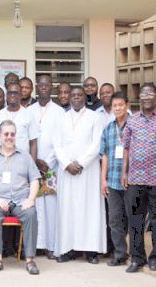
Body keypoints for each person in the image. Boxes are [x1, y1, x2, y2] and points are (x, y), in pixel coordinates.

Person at [54, 86, 106, 263]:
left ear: (85, 97)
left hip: (88, 171)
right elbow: (57, 144)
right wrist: (67, 164)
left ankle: (91, 251)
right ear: (69, 98)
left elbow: (97, 144)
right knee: (67, 210)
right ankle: (68, 249)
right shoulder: (61, 118)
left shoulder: (95, 117)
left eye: (79, 95)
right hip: (67, 171)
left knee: (89, 209)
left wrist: (81, 163)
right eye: (73, 95)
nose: (75, 98)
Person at [0, 120, 41, 274]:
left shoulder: (25, 157)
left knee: (31, 214)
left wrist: (31, 199)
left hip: (22, 201)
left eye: (12, 134)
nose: (9, 137)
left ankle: (30, 260)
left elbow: (35, 180)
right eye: (6, 134)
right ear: (0, 136)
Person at [28, 75, 64, 259]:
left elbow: (61, 140)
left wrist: (47, 162)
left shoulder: (59, 112)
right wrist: (35, 161)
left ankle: (50, 245)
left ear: (52, 87)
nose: (43, 87)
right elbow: (26, 138)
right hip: (33, 165)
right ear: (37, 87)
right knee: (35, 204)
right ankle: (36, 245)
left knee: (50, 206)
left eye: (47, 84)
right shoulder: (29, 110)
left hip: (51, 167)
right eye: (40, 85)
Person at [121, 83, 156, 273]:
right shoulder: (132, 120)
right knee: (135, 221)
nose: (147, 96)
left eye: (150, 93)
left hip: (155, 179)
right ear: (140, 98)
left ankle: (154, 258)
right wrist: (124, 173)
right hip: (135, 179)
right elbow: (126, 148)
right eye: (143, 94)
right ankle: (137, 258)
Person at [100, 91, 130, 267]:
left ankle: (136, 253)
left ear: (127, 105)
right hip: (112, 180)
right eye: (115, 106)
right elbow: (105, 155)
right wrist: (103, 179)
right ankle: (120, 254)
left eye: (120, 105)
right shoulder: (109, 128)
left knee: (133, 218)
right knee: (114, 219)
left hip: (131, 181)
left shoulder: (134, 126)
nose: (117, 108)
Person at [0, 83, 38, 160]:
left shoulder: (29, 115)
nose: (12, 95)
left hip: (22, 161)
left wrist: (32, 165)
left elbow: (33, 143)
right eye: (10, 93)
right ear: (6, 96)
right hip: (1, 161)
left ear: (21, 95)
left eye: (15, 93)